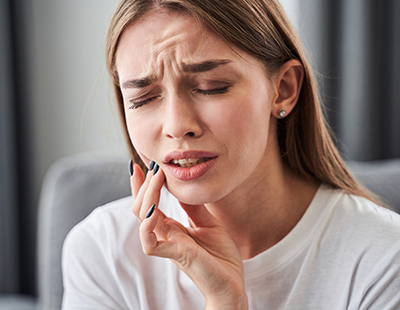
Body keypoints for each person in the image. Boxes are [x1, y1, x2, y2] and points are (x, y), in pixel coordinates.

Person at [61, 0, 400, 309]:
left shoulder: (384, 259)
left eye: (211, 87)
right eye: (143, 99)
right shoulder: (102, 251)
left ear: (283, 89)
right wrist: (224, 300)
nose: (177, 126)